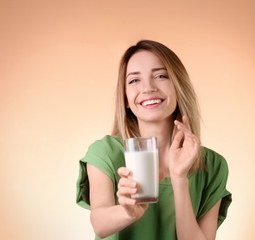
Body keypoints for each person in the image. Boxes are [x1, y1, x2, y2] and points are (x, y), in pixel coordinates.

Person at [76, 40, 232, 240]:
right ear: (125, 98)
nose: (148, 88)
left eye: (160, 76)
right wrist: (128, 211)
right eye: (134, 80)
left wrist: (179, 179)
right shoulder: (105, 152)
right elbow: (99, 223)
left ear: (178, 87)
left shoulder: (214, 166)